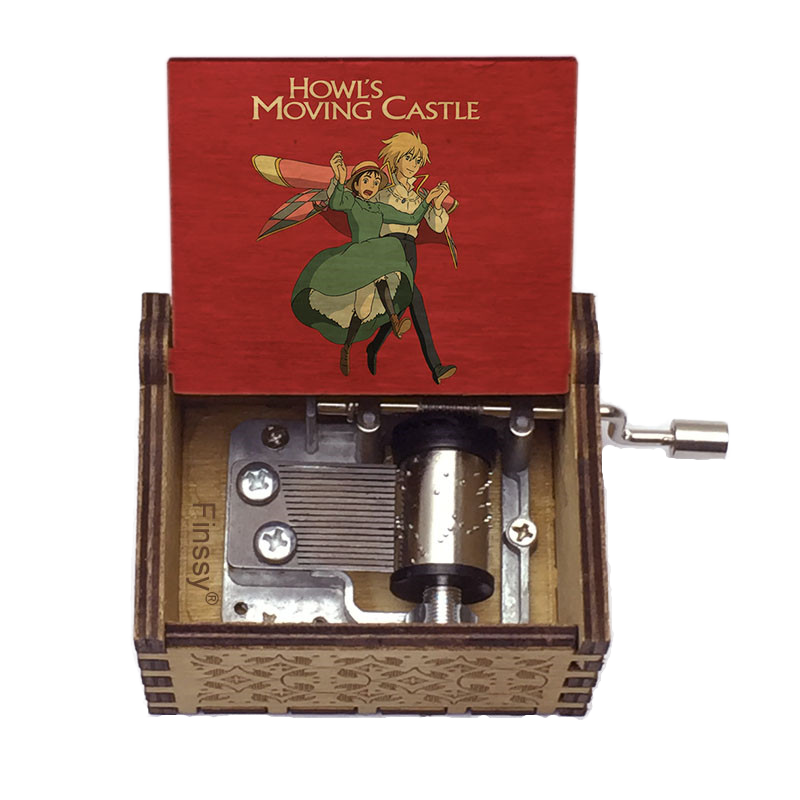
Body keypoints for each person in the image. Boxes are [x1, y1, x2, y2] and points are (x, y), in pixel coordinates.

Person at [291, 152, 446, 376]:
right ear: (356, 184)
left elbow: (411, 219)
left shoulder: (380, 208)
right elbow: (336, 202)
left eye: (375, 182)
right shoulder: (351, 201)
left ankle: (394, 321)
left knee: (380, 278)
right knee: (362, 311)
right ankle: (348, 346)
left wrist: (428, 199)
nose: (371, 186)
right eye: (366, 180)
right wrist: (339, 178)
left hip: (377, 255)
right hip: (358, 257)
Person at [368, 131, 456, 384]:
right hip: (389, 248)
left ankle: (374, 346)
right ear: (396, 159)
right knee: (416, 300)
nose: (414, 165)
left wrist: (437, 204)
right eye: (409, 158)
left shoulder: (419, 197)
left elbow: (437, 227)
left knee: (402, 303)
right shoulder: (382, 194)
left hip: (410, 250)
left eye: (418, 160)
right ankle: (436, 367)